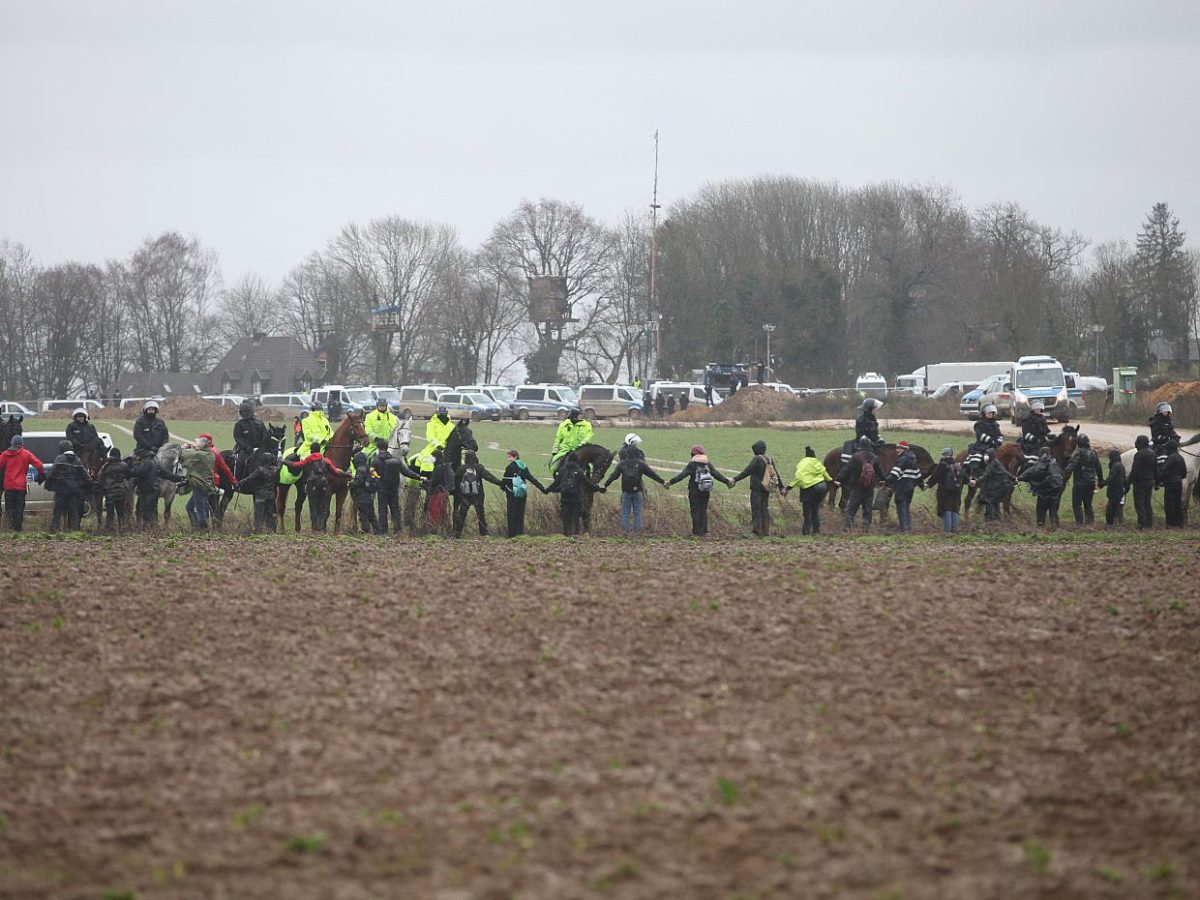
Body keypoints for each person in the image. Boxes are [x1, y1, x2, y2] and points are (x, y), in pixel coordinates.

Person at [669, 444, 734, 537]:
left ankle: (696, 532)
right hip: (705, 490)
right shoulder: (707, 463)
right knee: (703, 510)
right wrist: (727, 481)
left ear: (693, 454)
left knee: (695, 510)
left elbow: (682, 475)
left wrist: (671, 482)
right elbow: (717, 474)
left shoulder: (692, 464)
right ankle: (705, 531)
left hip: (694, 491)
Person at [603, 444, 668, 536]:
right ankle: (637, 533)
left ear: (626, 453)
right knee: (638, 512)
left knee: (625, 513)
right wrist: (662, 482)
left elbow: (613, 476)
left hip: (626, 492)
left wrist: (606, 485)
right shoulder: (641, 464)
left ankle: (624, 532)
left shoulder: (622, 464)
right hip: (637, 492)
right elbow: (652, 474)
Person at [284, 441, 343, 531]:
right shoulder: (326, 461)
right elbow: (336, 472)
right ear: (319, 451)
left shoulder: (308, 460)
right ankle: (322, 528)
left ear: (311, 451)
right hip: (323, 486)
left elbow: (295, 465)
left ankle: (315, 528)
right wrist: (349, 475)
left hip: (312, 487)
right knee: (322, 507)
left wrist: (283, 461)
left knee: (313, 507)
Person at [545, 450, 604, 536]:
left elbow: (556, 483)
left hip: (564, 498)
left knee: (566, 517)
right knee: (576, 518)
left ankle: (566, 533)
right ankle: (575, 534)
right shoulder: (579, 471)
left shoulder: (562, 470)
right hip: (576, 499)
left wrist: (547, 490)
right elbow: (588, 484)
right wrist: (599, 489)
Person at [452, 449, 504, 537]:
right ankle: (484, 534)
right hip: (478, 495)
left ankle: (457, 534)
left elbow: (455, 481)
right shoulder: (479, 467)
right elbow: (489, 477)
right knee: (480, 515)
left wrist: (455, 493)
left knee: (462, 515)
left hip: (465, 496)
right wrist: (500, 483)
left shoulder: (462, 468)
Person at [730, 440, 777, 537]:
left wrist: (735, 479)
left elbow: (747, 471)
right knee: (765, 509)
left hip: (757, 489)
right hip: (766, 489)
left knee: (756, 509)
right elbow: (775, 474)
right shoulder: (769, 459)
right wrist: (782, 487)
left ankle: (757, 531)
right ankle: (766, 531)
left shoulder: (757, 459)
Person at [838, 437, 885, 531]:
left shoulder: (855, 457)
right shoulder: (874, 458)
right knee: (867, 509)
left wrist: (838, 479)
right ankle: (865, 528)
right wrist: (885, 479)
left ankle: (847, 527)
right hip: (869, 487)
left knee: (852, 508)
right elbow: (880, 472)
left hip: (857, 487)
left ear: (860, 445)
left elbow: (847, 469)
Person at [784, 446, 832, 536]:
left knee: (807, 513)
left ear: (806, 456)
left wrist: (788, 488)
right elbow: (826, 474)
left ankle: (806, 532)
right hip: (821, 488)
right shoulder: (817, 462)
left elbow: (799, 477)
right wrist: (833, 481)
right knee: (815, 511)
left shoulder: (803, 463)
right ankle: (816, 531)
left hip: (809, 490)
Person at [0, 434, 44, 531]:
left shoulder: (6, 454)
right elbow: (39, 465)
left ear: (12, 443)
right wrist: (41, 475)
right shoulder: (26, 454)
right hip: (21, 487)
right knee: (19, 508)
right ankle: (18, 528)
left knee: (9, 508)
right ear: (21, 443)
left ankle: (10, 527)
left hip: (9, 486)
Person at [46, 439, 90, 531]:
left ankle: (55, 528)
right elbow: (85, 474)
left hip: (61, 489)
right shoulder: (77, 459)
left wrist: (48, 481)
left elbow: (52, 472)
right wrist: (90, 484)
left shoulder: (59, 458)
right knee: (73, 510)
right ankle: (74, 529)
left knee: (57, 510)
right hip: (74, 490)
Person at [130, 447, 180, 528]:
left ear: (140, 456)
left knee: (145, 511)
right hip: (155, 489)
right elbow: (166, 474)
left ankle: (148, 528)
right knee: (153, 510)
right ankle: (154, 527)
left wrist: (135, 464)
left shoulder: (145, 463)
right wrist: (177, 478)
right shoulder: (155, 463)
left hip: (147, 489)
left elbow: (137, 472)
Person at [501, 450, 547, 538]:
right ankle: (520, 535)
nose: (509, 459)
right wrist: (542, 488)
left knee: (512, 516)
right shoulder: (524, 467)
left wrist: (503, 488)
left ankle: (512, 536)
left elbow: (504, 482)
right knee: (520, 515)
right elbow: (532, 479)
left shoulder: (509, 468)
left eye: (510, 457)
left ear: (515, 457)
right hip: (522, 494)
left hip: (512, 494)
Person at [179, 437, 220, 531]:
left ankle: (202, 529)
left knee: (200, 510)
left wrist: (183, 447)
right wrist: (194, 447)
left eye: (197, 443)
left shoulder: (199, 454)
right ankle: (195, 527)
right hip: (205, 484)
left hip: (199, 485)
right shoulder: (209, 454)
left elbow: (182, 455)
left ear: (202, 445)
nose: (195, 444)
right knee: (189, 507)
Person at [236, 448, 281, 533]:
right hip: (271, 496)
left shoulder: (260, 470)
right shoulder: (275, 470)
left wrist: (239, 483)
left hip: (260, 495)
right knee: (271, 513)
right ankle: (272, 530)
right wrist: (279, 457)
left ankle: (258, 530)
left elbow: (249, 478)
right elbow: (279, 464)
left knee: (259, 514)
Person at [1063, 433, 1104, 526]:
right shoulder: (1094, 453)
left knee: (1077, 504)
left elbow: (1073, 464)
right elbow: (1099, 468)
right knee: (1088, 504)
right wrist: (1100, 481)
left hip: (1080, 482)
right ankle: (1090, 523)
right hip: (1091, 482)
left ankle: (1080, 524)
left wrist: (1064, 472)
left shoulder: (1079, 452)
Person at [1019, 447, 1064, 530]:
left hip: (1045, 492)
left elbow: (1032, 471)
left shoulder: (1042, 463)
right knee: (1053, 510)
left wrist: (1021, 477)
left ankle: (1041, 527)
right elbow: (1062, 475)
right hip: (1056, 491)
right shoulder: (1055, 463)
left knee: (1041, 510)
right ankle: (1056, 527)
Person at [198, 431, 237, 526]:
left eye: (201, 441)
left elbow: (225, 468)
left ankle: (207, 527)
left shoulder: (212, 453)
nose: (199, 443)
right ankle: (212, 526)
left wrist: (232, 480)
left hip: (210, 483)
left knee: (208, 505)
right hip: (208, 482)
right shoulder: (207, 451)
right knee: (207, 505)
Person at [886, 440, 923, 533]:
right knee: (906, 509)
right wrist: (922, 485)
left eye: (899, 448)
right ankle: (908, 528)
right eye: (897, 448)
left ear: (904, 449)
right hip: (910, 488)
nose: (897, 450)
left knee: (901, 509)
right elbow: (918, 476)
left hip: (901, 487)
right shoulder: (913, 460)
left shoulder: (902, 459)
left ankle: (904, 529)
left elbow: (894, 474)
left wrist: (886, 481)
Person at [925, 447, 964, 533]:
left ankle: (947, 532)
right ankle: (955, 530)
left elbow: (935, 476)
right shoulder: (957, 465)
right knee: (955, 509)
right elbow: (965, 477)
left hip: (945, 491)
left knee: (947, 509)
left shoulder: (942, 465)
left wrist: (927, 484)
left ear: (943, 455)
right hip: (957, 492)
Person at [972, 447, 1016, 523]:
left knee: (990, 505)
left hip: (994, 489)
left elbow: (985, 475)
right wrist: (1013, 478)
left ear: (990, 456)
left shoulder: (991, 465)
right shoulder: (996, 462)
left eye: (987, 455)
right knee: (995, 505)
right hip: (998, 489)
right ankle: (997, 522)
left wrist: (976, 481)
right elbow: (1005, 472)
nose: (985, 457)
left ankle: (990, 523)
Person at [97, 446, 132, 531]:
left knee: (110, 512)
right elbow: (129, 475)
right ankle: (122, 527)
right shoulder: (124, 465)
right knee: (120, 511)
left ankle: (109, 527)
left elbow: (100, 477)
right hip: (121, 491)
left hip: (109, 492)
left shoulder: (106, 465)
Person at [1127, 435, 1157, 529]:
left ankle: (1142, 524)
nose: (1135, 443)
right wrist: (1157, 481)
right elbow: (1156, 469)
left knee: (1139, 503)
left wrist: (1129, 481)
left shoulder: (1139, 454)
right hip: (1150, 482)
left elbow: (1135, 470)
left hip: (1140, 482)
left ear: (1140, 443)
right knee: (1147, 503)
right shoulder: (1153, 453)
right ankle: (1149, 523)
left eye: (1136, 441)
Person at [349, 451, 383, 534]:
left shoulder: (360, 469)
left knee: (363, 514)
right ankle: (377, 531)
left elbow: (359, 482)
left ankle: (366, 530)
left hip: (362, 495)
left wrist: (351, 483)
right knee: (372, 515)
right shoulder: (368, 468)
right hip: (369, 495)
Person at [232, 401, 268, 478]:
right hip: (244, 450)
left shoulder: (259, 423)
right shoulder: (239, 424)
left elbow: (265, 436)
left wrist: (262, 447)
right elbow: (238, 438)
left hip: (260, 449)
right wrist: (247, 447)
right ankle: (236, 480)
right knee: (239, 462)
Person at [1159, 440, 1187, 527]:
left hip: (1170, 483)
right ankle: (1180, 522)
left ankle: (1171, 523)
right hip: (1179, 483)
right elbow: (1184, 473)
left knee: (1169, 504)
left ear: (1170, 448)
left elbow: (1164, 470)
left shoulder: (1171, 457)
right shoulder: (1180, 457)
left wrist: (1160, 479)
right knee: (1177, 503)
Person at [1104, 448, 1126, 527]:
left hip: (1114, 491)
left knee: (1109, 510)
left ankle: (1110, 525)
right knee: (1116, 509)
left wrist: (1104, 483)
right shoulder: (1121, 466)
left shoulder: (1115, 466)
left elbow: (1111, 477)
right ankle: (1117, 525)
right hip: (1120, 491)